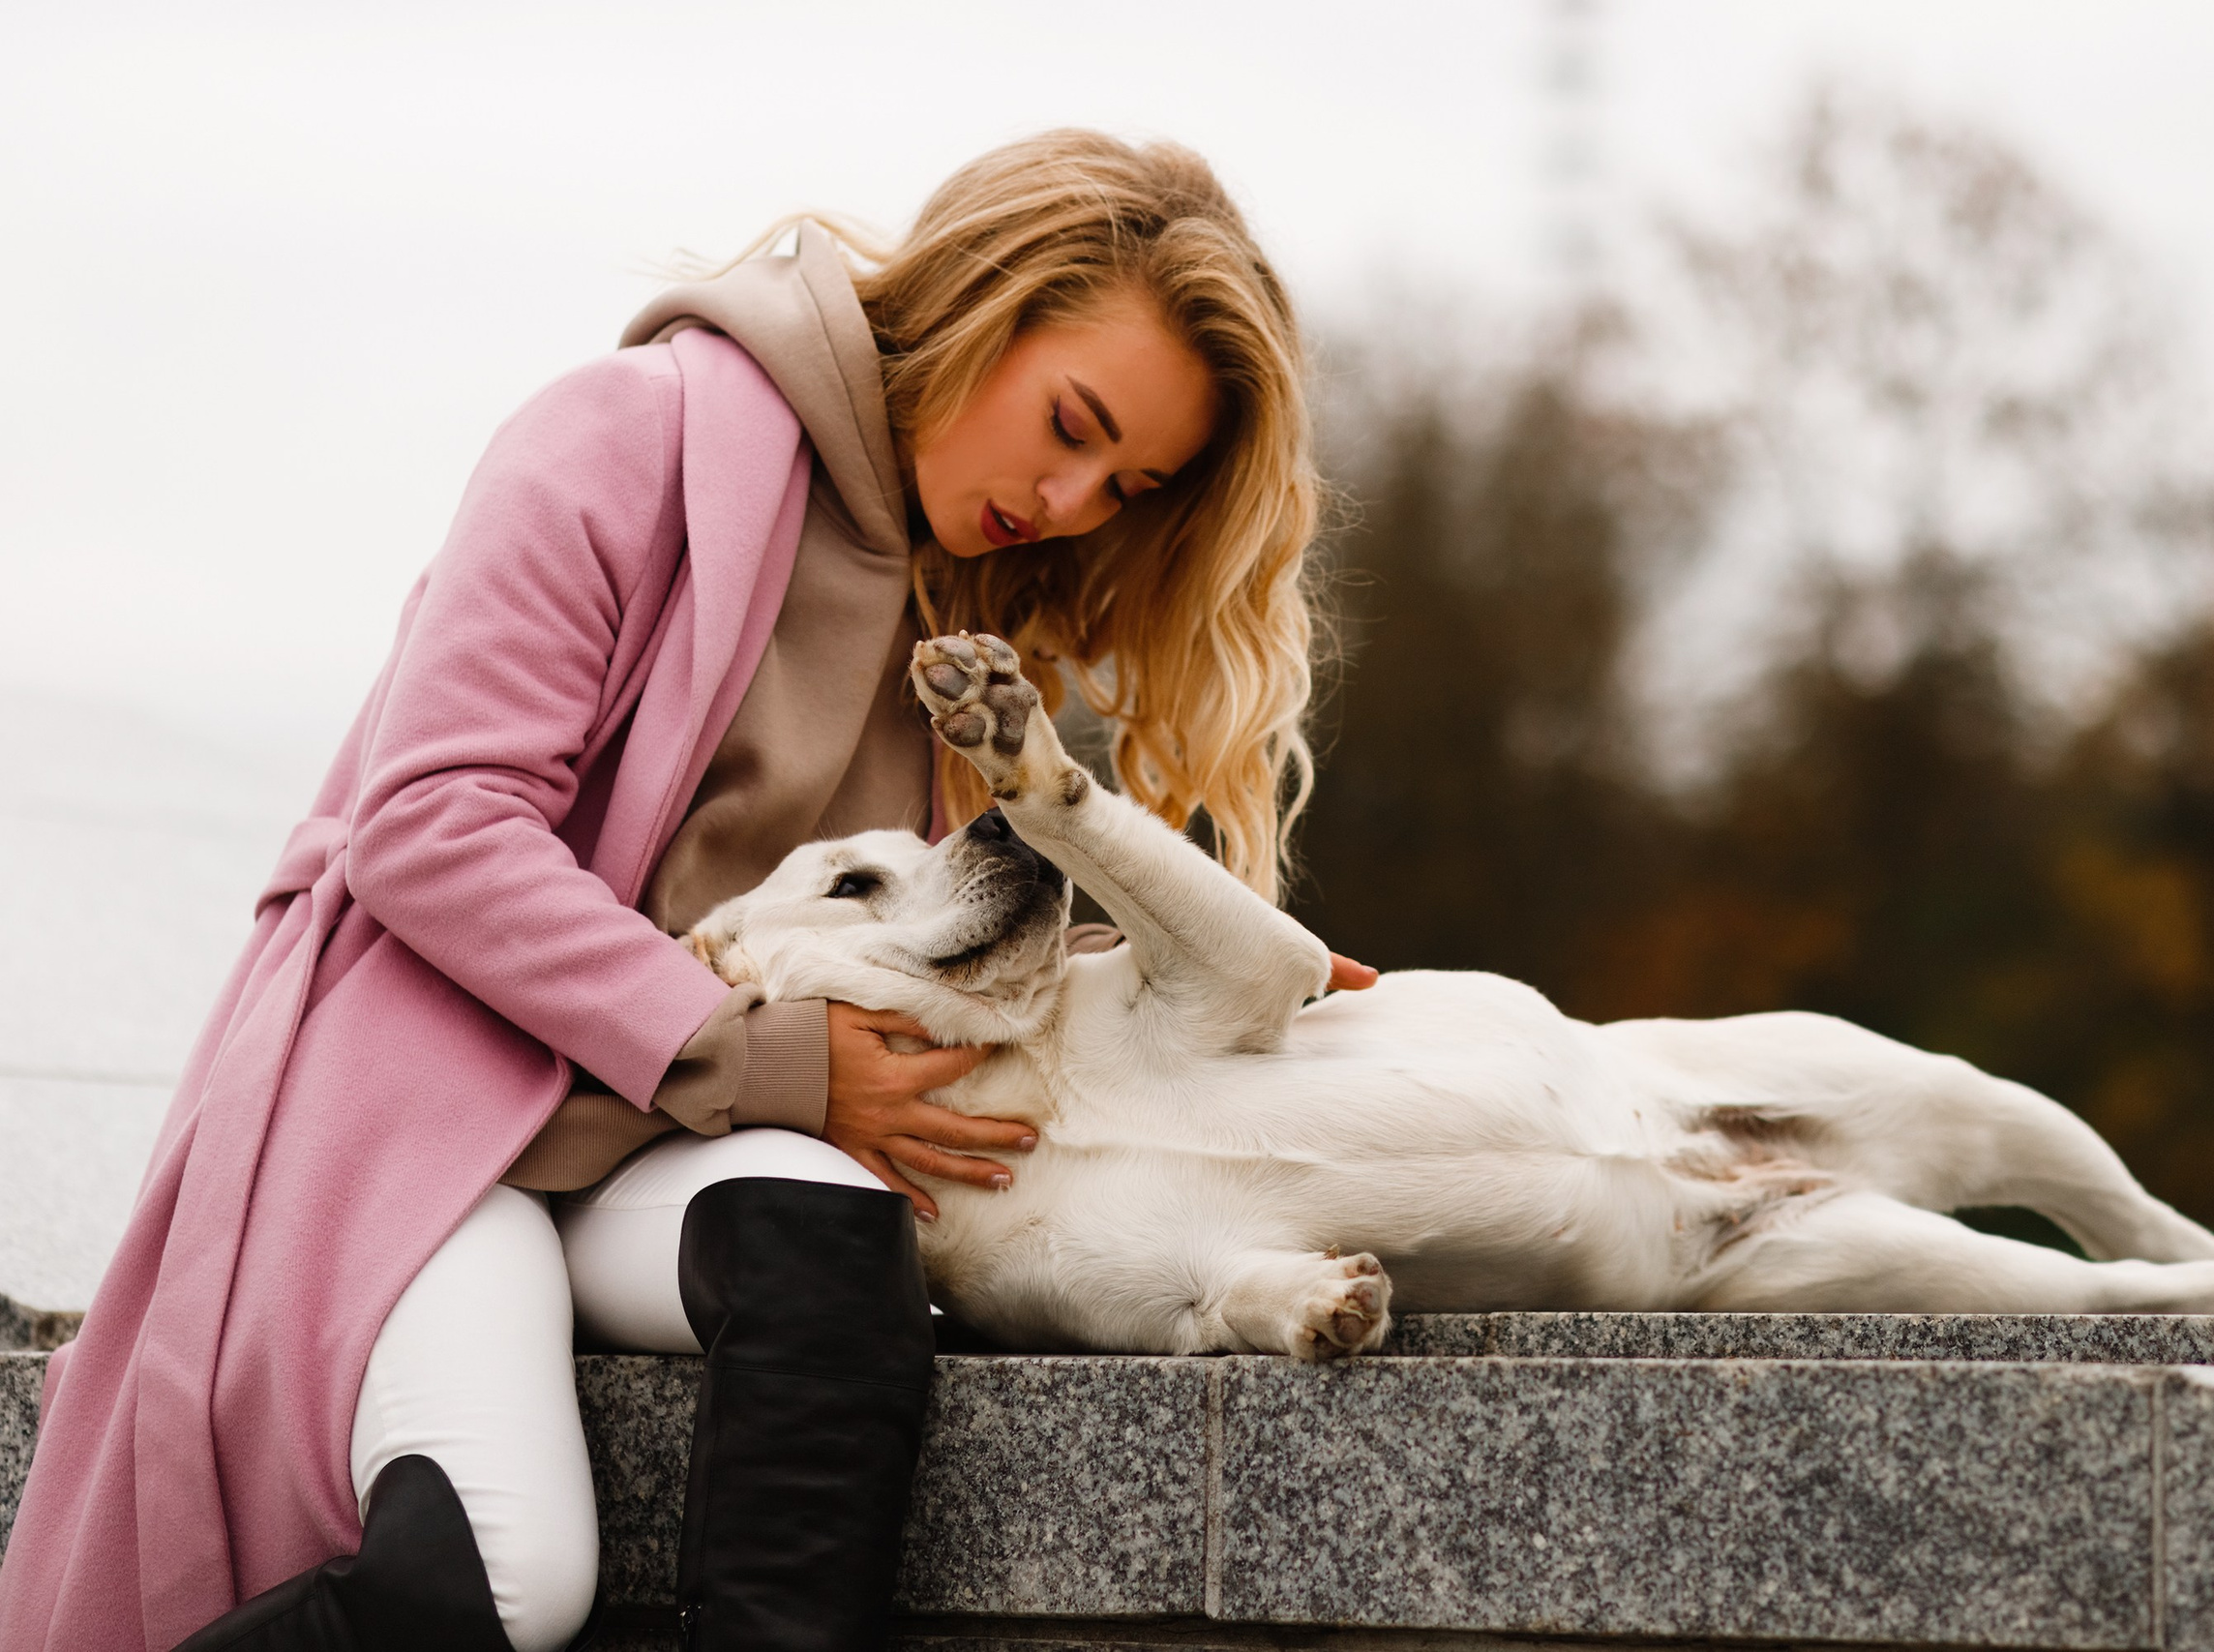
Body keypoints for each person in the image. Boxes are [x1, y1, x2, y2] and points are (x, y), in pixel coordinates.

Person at [0, 130, 1365, 1652]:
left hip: (680, 1137)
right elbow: (434, 823)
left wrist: (1211, 970)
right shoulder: (624, 434)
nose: (1069, 497)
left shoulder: (955, 614)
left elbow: (905, 929)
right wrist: (769, 1057)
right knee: (515, 1577)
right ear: (989, 301)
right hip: (444, 1123)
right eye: (1072, 424)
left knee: (836, 1253)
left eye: (1129, 483)